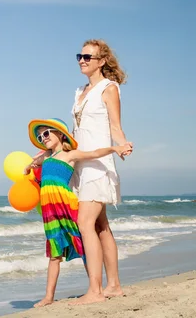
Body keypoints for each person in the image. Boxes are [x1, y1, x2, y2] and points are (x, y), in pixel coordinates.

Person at [25, 118, 132, 308]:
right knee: (54, 251)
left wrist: (115, 148)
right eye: (41, 137)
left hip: (65, 205)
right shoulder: (45, 157)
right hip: (49, 211)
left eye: (47, 133)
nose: (43, 138)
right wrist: (29, 167)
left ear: (59, 133)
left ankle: (95, 287)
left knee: (80, 242)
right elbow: (33, 164)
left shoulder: (70, 155)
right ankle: (48, 296)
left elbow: (94, 153)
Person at [69, 39, 133, 304]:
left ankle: (95, 291)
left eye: (88, 56)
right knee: (100, 225)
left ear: (102, 61)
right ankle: (114, 285)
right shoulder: (79, 91)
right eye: (79, 56)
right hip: (81, 165)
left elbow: (115, 125)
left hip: (99, 164)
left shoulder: (109, 88)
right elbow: (75, 132)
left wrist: (122, 144)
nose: (82, 60)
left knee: (85, 223)